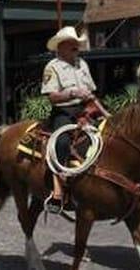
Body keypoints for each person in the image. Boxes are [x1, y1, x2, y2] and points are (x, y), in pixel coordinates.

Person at [40, 26, 98, 209]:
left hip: (84, 111)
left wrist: (90, 97)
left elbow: (92, 90)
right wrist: (72, 92)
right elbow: (51, 97)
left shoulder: (83, 64)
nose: (76, 47)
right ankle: (57, 190)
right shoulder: (52, 67)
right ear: (61, 46)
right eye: (72, 44)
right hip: (63, 112)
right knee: (62, 143)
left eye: (77, 44)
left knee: (107, 136)